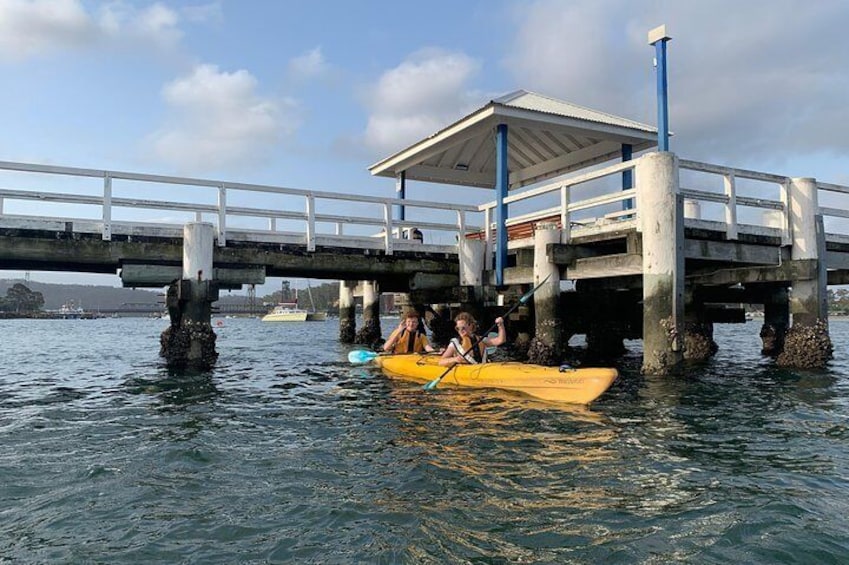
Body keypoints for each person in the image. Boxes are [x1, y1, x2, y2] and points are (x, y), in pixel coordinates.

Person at [439, 312, 505, 366]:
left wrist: (500, 325)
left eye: (463, 328)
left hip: (481, 369)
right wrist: (455, 359)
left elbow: (500, 340)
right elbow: (441, 362)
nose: (460, 331)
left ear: (471, 326)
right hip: (465, 372)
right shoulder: (455, 343)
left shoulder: (480, 340)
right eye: (458, 328)